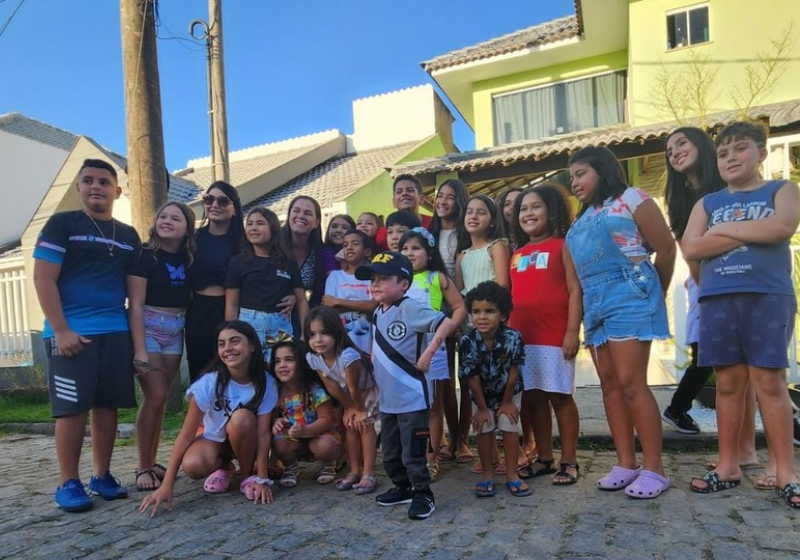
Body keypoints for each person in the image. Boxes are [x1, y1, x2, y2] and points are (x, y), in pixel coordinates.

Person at [681, 121, 800, 509]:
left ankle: (785, 471)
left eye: (741, 149)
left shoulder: (782, 190)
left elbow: (781, 227)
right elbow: (691, 248)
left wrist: (726, 232)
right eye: (723, 153)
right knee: (729, 384)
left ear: (762, 153)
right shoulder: (707, 203)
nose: (731, 158)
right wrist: (750, 229)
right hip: (717, 298)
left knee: (769, 381)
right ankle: (729, 465)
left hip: (767, 295)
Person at [566, 146, 675, 499]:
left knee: (631, 382)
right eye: (572, 177)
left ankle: (655, 469)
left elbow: (666, 249)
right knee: (609, 386)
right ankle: (626, 463)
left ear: (602, 169)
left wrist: (652, 292)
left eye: (581, 173)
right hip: (594, 303)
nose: (575, 182)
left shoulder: (632, 198)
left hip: (630, 293)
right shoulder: (579, 221)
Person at [33, 159, 141, 512]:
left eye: (104, 182)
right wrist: (61, 330)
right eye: (89, 181)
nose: (97, 187)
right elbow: (43, 279)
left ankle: (102, 475)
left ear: (117, 191)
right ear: (79, 188)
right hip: (71, 335)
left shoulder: (127, 236)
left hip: (115, 332)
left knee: (107, 406)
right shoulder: (62, 225)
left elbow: (134, 294)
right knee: (72, 410)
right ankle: (68, 481)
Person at [662, 127, 764, 480]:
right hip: (706, 283)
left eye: (682, 143)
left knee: (747, 369)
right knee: (728, 370)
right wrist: (706, 288)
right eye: (669, 149)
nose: (675, 152)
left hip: (746, 276)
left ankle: (746, 450)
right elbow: (689, 249)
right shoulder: (680, 198)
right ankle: (736, 451)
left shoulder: (724, 186)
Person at [354, 252, 458, 519]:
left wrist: (428, 354)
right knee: (390, 452)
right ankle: (403, 487)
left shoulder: (409, 308)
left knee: (413, 452)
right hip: (389, 401)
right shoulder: (378, 311)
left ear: (404, 284)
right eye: (373, 279)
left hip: (411, 398)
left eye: (383, 279)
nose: (376, 284)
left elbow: (444, 323)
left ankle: (423, 493)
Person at [139, 321, 278, 517]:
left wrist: (262, 479)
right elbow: (185, 436)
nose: (228, 348)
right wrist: (167, 485)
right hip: (215, 441)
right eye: (221, 344)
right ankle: (224, 467)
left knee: (241, 418)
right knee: (193, 465)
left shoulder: (266, 382)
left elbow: (263, 435)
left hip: (247, 440)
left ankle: (247, 476)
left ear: (252, 345)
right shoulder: (208, 383)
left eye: (235, 341)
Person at [509, 185, 582, 485]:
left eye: (535, 207)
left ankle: (569, 461)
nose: (528, 213)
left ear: (552, 211)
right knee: (533, 398)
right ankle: (545, 458)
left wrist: (571, 332)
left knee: (560, 397)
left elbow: (575, 289)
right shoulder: (517, 253)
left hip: (554, 337)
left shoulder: (564, 245)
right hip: (522, 338)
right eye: (523, 209)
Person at [126, 201, 196, 491]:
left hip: (176, 326)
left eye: (176, 218)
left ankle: (153, 460)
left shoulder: (189, 258)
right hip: (149, 325)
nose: (167, 221)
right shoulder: (144, 255)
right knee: (153, 396)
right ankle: (142, 467)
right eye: (163, 216)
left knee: (161, 399)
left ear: (187, 228)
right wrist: (140, 349)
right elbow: (136, 304)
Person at [400, 227, 467, 482]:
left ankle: (431, 459)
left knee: (433, 406)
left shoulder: (436, 278)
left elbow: (459, 306)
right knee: (408, 405)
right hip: (403, 349)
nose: (409, 253)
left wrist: (450, 325)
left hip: (433, 346)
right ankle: (410, 457)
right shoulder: (397, 279)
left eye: (415, 248)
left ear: (429, 253)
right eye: (404, 248)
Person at [456, 194, 511, 472]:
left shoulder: (497, 247)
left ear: (492, 221)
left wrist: (491, 320)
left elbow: (502, 285)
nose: (474, 216)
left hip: (493, 326)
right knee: (476, 389)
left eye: (481, 212)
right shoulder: (462, 255)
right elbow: (458, 294)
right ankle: (488, 455)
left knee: (499, 388)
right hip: (470, 328)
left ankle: (509, 451)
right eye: (469, 212)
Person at [459, 281, 529, 497]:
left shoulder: (513, 338)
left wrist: (507, 402)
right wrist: (481, 408)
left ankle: (511, 475)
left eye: (489, 311)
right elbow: (471, 377)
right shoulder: (466, 341)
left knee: (508, 427)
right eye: (476, 311)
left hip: (509, 390)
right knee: (484, 427)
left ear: (503, 315)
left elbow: (514, 371)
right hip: (480, 393)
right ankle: (487, 474)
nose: (482, 317)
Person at [304, 307, 380, 495]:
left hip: (368, 390)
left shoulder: (348, 356)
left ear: (337, 332)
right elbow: (332, 387)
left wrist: (360, 410)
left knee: (364, 425)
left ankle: (369, 473)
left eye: (324, 333)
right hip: (349, 395)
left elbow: (355, 388)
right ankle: (354, 471)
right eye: (312, 334)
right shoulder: (313, 358)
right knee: (350, 425)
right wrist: (349, 408)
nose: (318, 340)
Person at [427, 179, 471, 466]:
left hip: (463, 309)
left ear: (460, 202)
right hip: (435, 315)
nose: (443, 201)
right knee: (442, 382)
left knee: (466, 381)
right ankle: (446, 437)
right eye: (439, 195)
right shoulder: (427, 233)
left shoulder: (465, 233)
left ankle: (462, 440)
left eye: (450, 197)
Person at [225, 207, 309, 353]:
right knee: (251, 372)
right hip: (248, 325)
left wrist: (304, 334)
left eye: (260, 223)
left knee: (280, 371)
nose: (254, 228)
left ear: (273, 228)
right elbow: (231, 304)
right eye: (249, 224)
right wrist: (231, 335)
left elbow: (301, 300)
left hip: (280, 326)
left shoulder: (288, 261)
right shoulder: (238, 262)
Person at [185, 181, 244, 382]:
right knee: (201, 373)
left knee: (229, 371)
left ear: (234, 208)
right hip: (198, 311)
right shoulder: (193, 239)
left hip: (232, 310)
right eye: (209, 199)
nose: (214, 205)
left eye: (222, 200)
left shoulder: (243, 242)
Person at [270, 337, 342, 488]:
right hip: (292, 437)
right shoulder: (275, 391)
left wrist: (306, 430)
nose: (282, 365)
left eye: (289, 360)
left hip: (318, 433)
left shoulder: (314, 389)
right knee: (279, 443)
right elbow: (273, 416)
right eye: (277, 361)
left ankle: (329, 463)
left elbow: (326, 418)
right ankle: (290, 467)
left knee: (325, 446)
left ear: (302, 363)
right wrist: (276, 422)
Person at [322, 230, 377, 353]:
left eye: (355, 244)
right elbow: (329, 309)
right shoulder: (334, 276)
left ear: (367, 252)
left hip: (370, 345)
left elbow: (373, 306)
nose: (349, 248)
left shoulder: (373, 277)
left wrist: (337, 301)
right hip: (341, 345)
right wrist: (362, 305)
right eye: (345, 245)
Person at [282, 196, 338, 311]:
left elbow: (324, 295)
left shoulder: (322, 254)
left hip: (304, 312)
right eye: (296, 211)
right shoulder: (272, 246)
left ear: (316, 223)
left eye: (307, 213)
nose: (301, 216)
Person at [375, 174, 433, 250]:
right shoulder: (383, 235)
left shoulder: (433, 224)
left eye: (410, 190)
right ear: (394, 202)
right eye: (399, 192)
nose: (404, 194)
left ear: (421, 199)